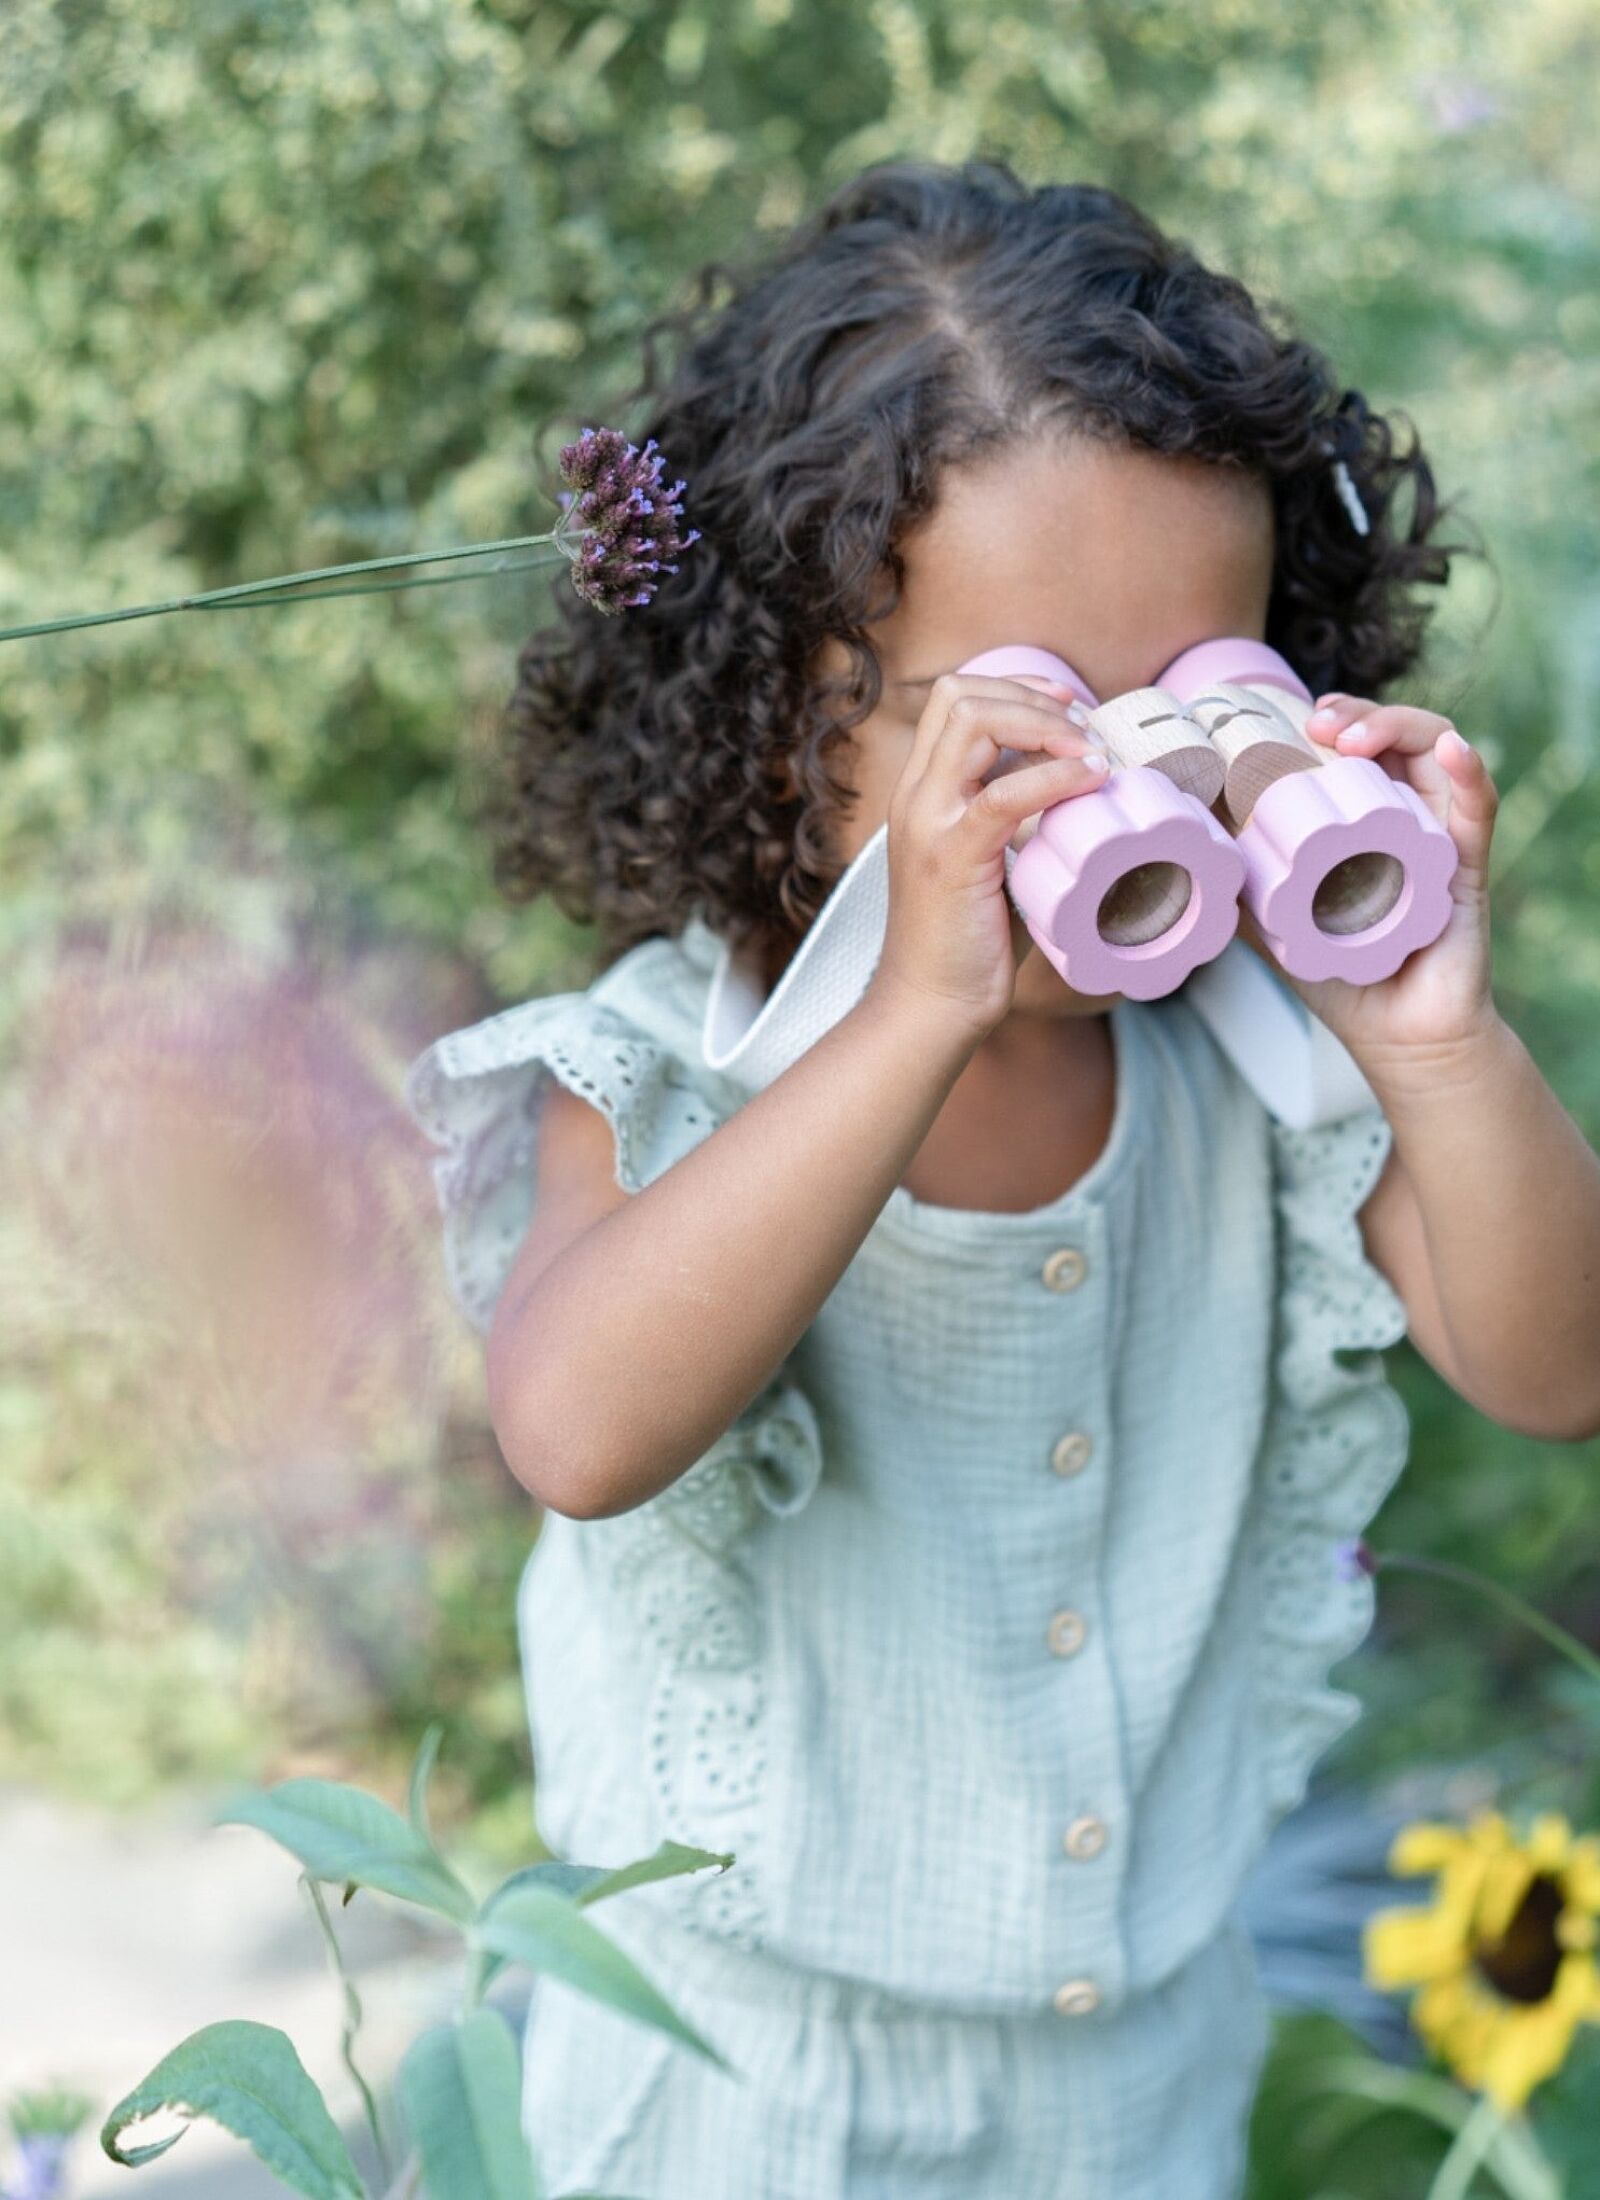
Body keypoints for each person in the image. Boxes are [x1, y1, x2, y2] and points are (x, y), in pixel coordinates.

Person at [403, 159, 1600, 2198]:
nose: (1123, 795)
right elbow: (578, 1431)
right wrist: (913, 1011)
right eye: (1031, 727)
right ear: (791, 713)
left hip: (1135, 2086)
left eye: (1198, 705)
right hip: (741, 2088)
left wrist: (1430, 1041)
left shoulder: (1266, 1061)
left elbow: (1556, 1369)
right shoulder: (671, 1068)